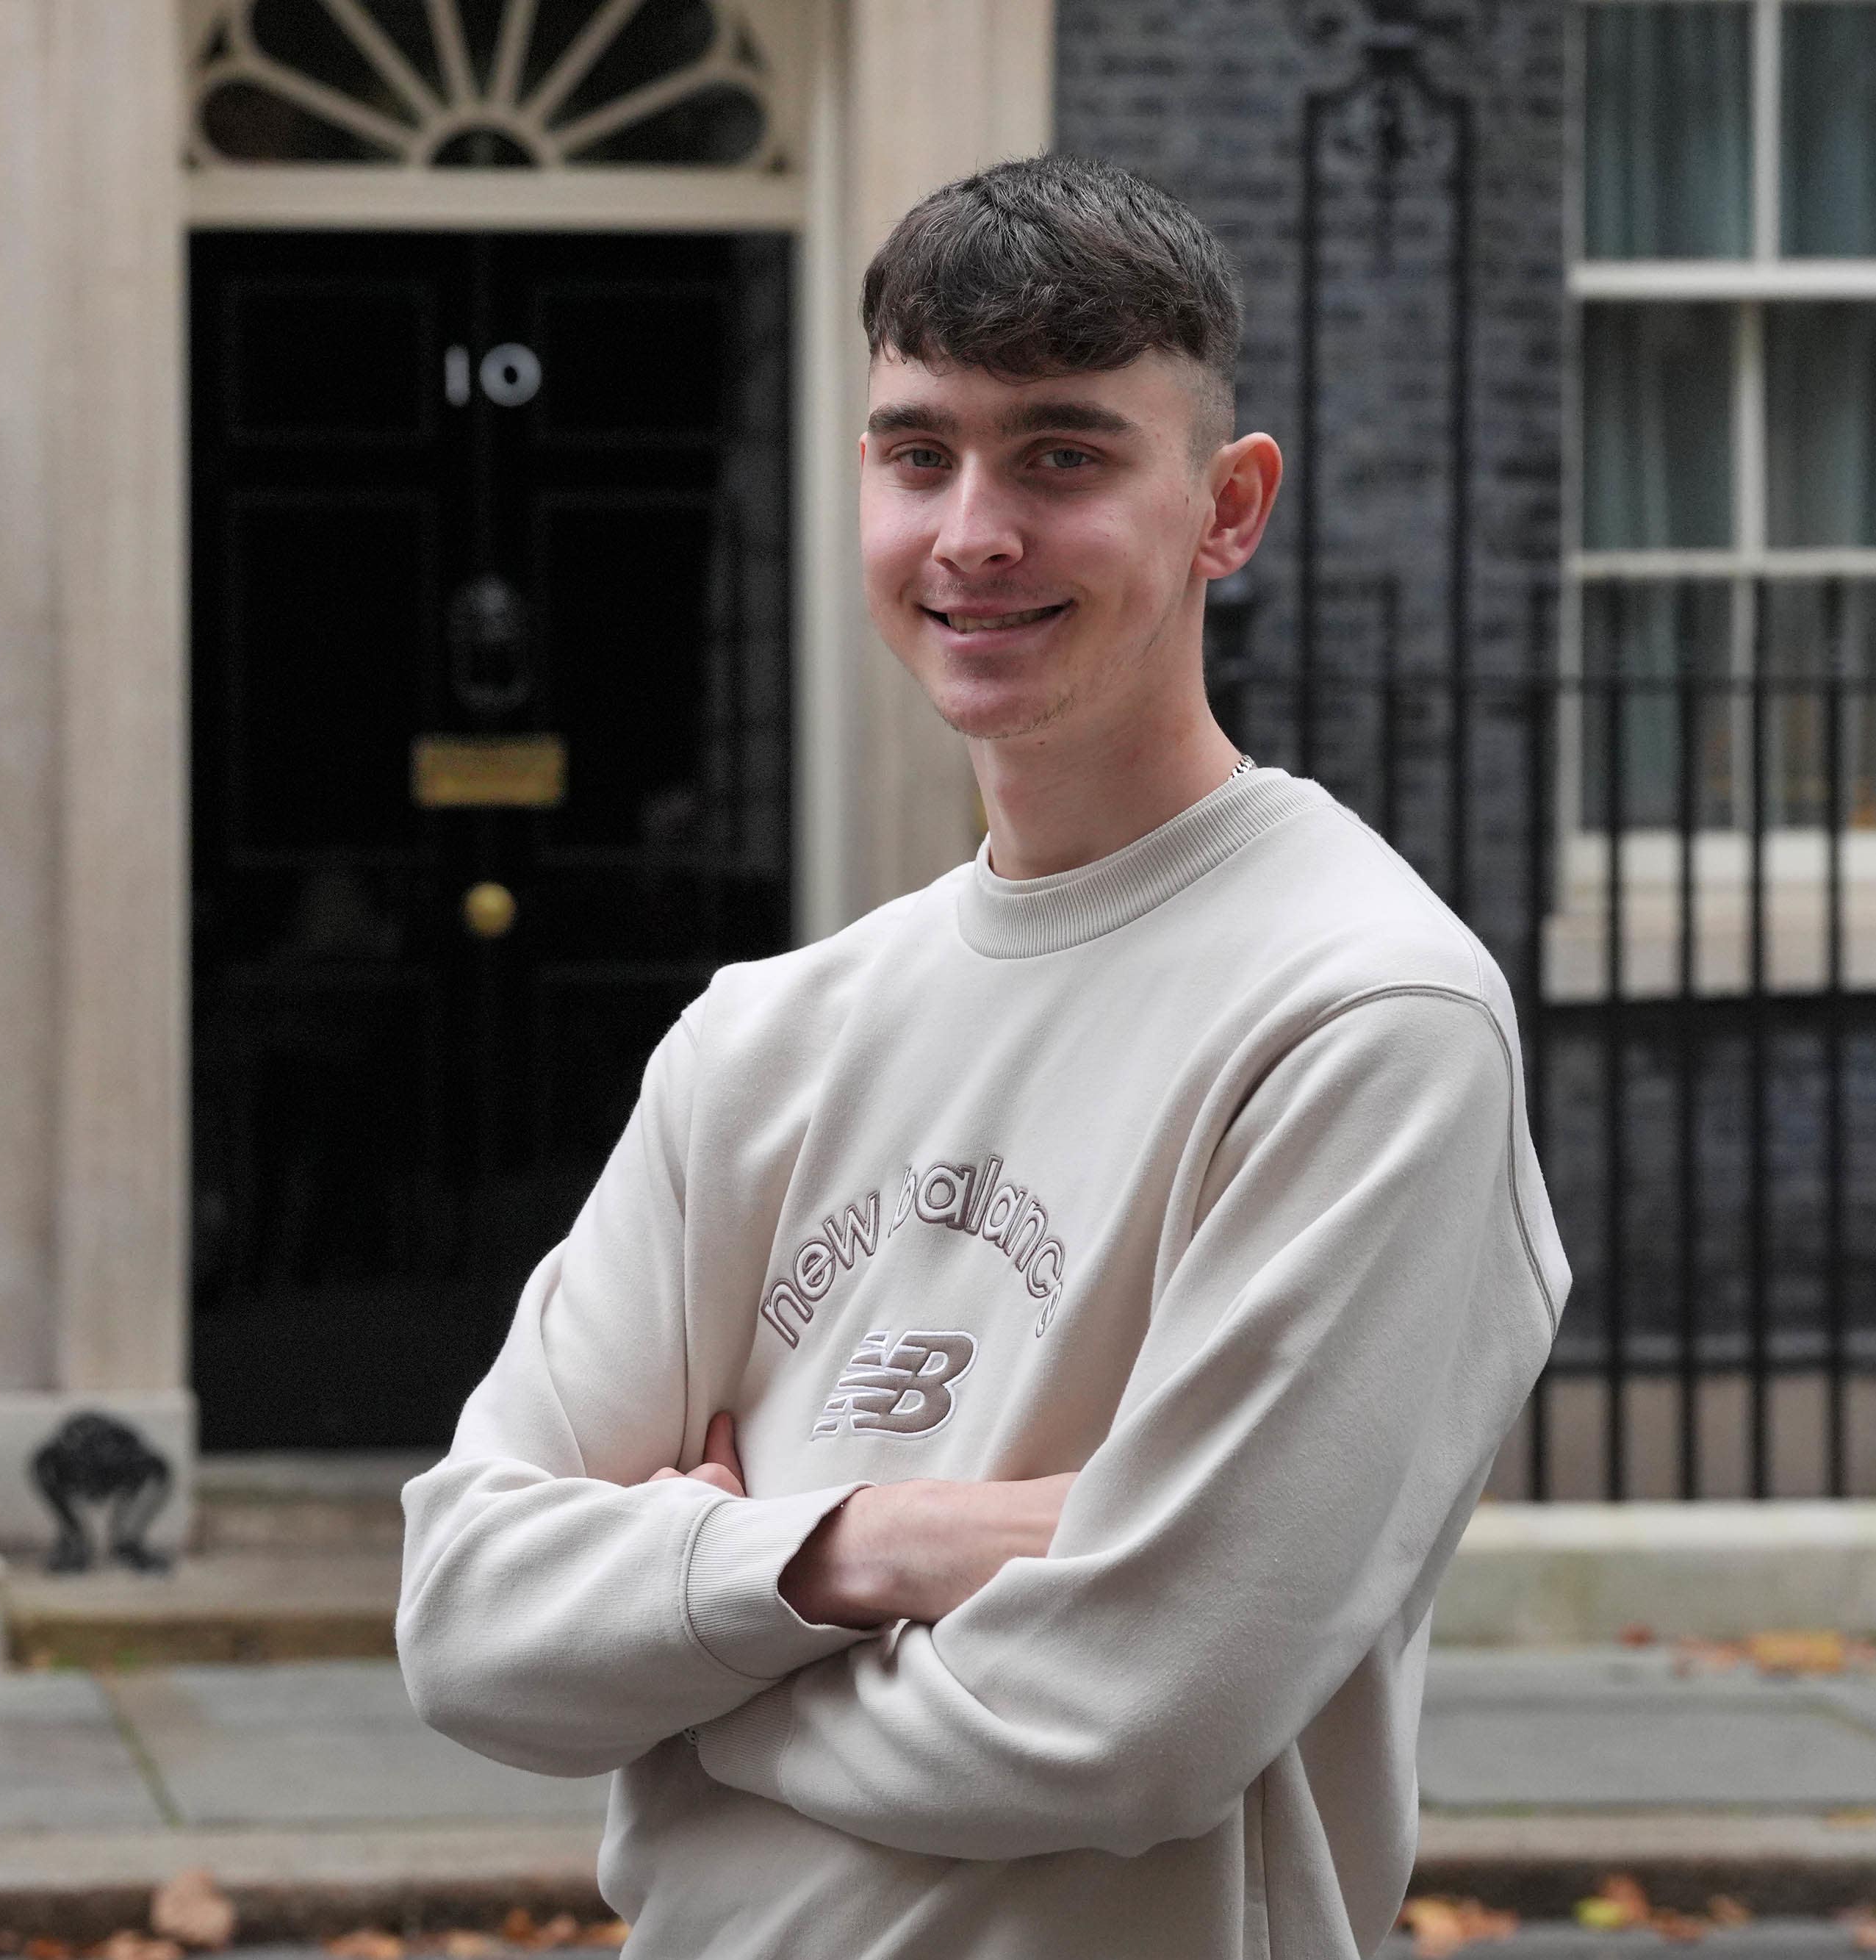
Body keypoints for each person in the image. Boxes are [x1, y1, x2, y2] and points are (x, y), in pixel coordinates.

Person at [397, 153, 1568, 1959]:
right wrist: (863, 1547)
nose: (970, 533)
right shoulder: (762, 1038)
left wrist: (681, 1664)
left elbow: (1127, 1714)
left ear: (1225, 507)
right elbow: (467, 1612)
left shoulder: (1359, 1018)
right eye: (916, 450)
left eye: (1063, 454)